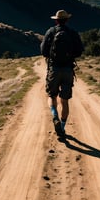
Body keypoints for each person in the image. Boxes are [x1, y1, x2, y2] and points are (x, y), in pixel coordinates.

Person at [40, 9, 84, 137]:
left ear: (56, 20)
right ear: (67, 20)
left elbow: (43, 51)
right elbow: (80, 51)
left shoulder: (51, 32)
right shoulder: (72, 33)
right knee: (64, 101)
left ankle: (55, 116)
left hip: (54, 69)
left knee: (52, 96)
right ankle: (63, 128)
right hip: (68, 70)